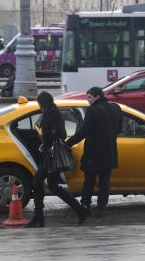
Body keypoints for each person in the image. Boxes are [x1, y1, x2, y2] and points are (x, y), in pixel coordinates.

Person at [27, 91, 90, 228]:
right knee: (45, 184)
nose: (39, 106)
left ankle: (39, 216)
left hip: (53, 156)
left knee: (42, 182)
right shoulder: (49, 112)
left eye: (39, 103)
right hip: (49, 155)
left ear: (43, 102)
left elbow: (61, 132)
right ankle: (40, 215)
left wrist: (44, 135)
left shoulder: (53, 113)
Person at [66, 87, 122, 218]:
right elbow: (119, 128)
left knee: (89, 181)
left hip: (93, 152)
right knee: (105, 181)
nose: (88, 101)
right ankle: (101, 208)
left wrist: (68, 143)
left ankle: (85, 205)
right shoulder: (116, 108)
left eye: (89, 97)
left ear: (97, 97)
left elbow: (84, 131)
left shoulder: (92, 110)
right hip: (110, 151)